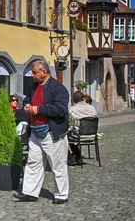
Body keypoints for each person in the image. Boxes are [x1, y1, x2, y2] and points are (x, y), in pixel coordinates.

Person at [14, 60, 70, 204]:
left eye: (34, 72)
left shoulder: (58, 89)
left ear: (44, 72)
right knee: (33, 162)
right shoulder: (34, 87)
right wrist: (27, 105)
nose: (32, 75)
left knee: (57, 165)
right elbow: (28, 98)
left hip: (51, 132)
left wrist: (38, 109)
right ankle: (30, 192)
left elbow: (60, 109)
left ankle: (61, 194)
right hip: (36, 131)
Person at [67, 91, 98, 166]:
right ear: (83, 98)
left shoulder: (72, 110)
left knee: (64, 135)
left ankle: (71, 157)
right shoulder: (92, 108)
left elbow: (70, 125)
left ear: (73, 100)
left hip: (79, 135)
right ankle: (77, 156)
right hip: (93, 134)